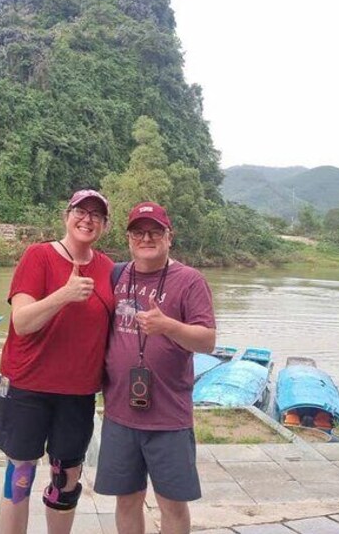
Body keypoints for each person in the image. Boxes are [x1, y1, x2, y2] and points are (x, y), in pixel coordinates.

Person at [0, 189, 114, 534]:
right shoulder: (38, 256)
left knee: (66, 481)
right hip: (27, 386)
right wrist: (64, 295)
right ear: (66, 216)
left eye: (97, 215)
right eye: (80, 211)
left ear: (105, 225)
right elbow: (22, 322)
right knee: (20, 475)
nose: (87, 219)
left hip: (78, 393)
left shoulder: (108, 269)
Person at [94, 201, 216, 534]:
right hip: (119, 414)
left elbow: (207, 341)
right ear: (128, 238)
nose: (146, 238)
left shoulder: (190, 281)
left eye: (154, 232)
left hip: (169, 417)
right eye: (138, 232)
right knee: (126, 500)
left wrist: (168, 326)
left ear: (169, 237)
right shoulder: (116, 275)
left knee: (172, 505)